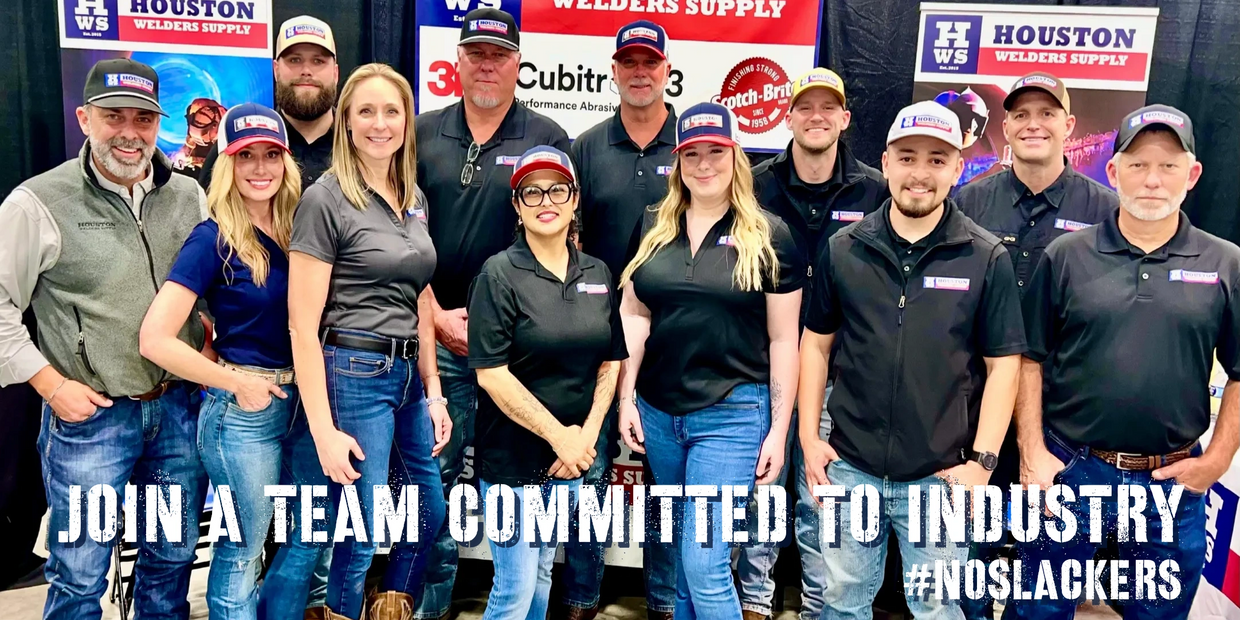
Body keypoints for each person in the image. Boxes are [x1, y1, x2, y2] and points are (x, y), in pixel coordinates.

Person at [1007, 105, 1239, 620]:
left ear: (1192, 175)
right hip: (1072, 469)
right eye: (1137, 165)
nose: (1152, 180)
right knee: (1039, 609)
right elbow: (1029, 358)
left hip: (1172, 481)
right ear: (1113, 172)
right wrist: (1031, 452)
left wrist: (1218, 459)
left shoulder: (1226, 262)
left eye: (1168, 166)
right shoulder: (1066, 255)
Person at [798, 100, 1025, 620]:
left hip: (940, 476)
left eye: (937, 160)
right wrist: (809, 437)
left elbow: (1004, 366)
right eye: (907, 158)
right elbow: (815, 344)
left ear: (958, 167)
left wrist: (983, 464)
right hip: (850, 469)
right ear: (885, 163)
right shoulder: (844, 248)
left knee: (936, 607)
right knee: (842, 601)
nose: (920, 173)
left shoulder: (985, 256)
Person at [0, 58, 210, 619]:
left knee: (171, 560)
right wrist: (50, 385)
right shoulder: (37, 202)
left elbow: (205, 291)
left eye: (143, 119)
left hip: (177, 412)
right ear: (84, 119)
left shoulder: (189, 196)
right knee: (80, 572)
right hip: (91, 421)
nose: (129, 132)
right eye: (114, 116)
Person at [617, 102, 804, 620]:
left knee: (704, 561)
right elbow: (634, 313)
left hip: (734, 414)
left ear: (736, 156)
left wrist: (778, 430)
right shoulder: (652, 225)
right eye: (691, 154)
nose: (704, 164)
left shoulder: (770, 235)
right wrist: (626, 397)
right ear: (677, 162)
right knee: (683, 557)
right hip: (659, 413)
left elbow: (784, 340)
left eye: (715, 152)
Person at [412, 9, 570, 619]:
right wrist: (434, 317)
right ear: (456, 60)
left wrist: (487, 326)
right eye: (475, 52)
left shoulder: (547, 136)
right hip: (438, 341)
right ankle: (429, 604)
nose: (486, 64)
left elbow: (556, 245)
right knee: (433, 483)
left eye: (499, 54)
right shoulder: (421, 133)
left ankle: (525, 604)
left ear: (517, 64)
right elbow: (397, 238)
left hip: (516, 352)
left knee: (525, 490)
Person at [953, 71, 1118, 620]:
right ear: (1005, 128)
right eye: (1021, 114)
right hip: (974, 407)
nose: (1033, 124)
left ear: (1069, 125)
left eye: (1047, 114)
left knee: (1046, 568)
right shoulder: (969, 201)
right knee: (969, 549)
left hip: (1063, 417)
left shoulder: (1104, 210)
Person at [288, 63, 450, 620]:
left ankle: (392, 606)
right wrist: (322, 431)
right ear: (347, 123)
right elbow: (301, 325)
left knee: (428, 511)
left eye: (391, 111)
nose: (380, 124)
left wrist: (433, 389)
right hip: (352, 369)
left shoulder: (413, 196)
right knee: (361, 529)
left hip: (408, 377)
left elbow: (420, 296)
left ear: (407, 120)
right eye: (366, 112)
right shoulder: (325, 199)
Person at [139, 102, 305, 619]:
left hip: (304, 406)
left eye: (271, 154)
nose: (260, 168)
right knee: (243, 550)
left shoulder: (302, 229)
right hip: (244, 415)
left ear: (286, 162)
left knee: (306, 538)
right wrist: (233, 382)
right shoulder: (212, 238)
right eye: (245, 155)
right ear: (226, 163)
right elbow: (155, 339)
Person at [743, 67, 886, 620]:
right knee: (761, 491)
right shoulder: (753, 184)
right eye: (805, 106)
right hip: (763, 366)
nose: (816, 116)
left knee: (820, 498)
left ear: (845, 119)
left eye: (829, 107)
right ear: (788, 117)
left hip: (839, 371)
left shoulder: (875, 189)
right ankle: (754, 600)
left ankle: (818, 606)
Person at [467, 146, 626, 620]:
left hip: (570, 462)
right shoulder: (498, 274)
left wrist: (585, 438)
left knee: (541, 576)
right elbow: (492, 375)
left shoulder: (597, 272)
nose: (546, 201)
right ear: (516, 206)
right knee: (515, 589)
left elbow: (610, 361)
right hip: (513, 462)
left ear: (574, 199)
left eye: (557, 189)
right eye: (531, 192)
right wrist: (561, 438)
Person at [566, 19, 679, 620]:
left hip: (676, 336)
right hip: (594, 332)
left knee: (665, 475)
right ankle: (581, 595)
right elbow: (566, 238)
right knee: (589, 463)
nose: (640, 72)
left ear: (667, 70)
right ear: (613, 71)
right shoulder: (586, 147)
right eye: (628, 62)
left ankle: (663, 600)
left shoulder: (693, 145)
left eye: (649, 62)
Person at [200, 15, 339, 191]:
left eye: (318, 61)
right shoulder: (237, 141)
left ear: (335, 73)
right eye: (295, 60)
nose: (306, 71)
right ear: (276, 70)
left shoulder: (359, 142)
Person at [171, 97, 226, 175]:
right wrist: (184, 156)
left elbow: (220, 163)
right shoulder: (195, 109)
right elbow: (188, 147)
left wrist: (195, 160)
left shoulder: (224, 132)